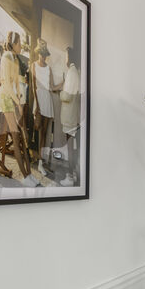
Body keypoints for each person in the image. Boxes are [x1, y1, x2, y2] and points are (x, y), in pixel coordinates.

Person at [0, 37, 29, 176]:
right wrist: (17, 104)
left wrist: (20, 99)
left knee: (22, 138)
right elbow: (7, 85)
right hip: (6, 99)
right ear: (14, 44)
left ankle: (29, 175)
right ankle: (25, 176)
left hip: (13, 99)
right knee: (16, 137)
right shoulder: (7, 56)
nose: (21, 46)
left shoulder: (15, 58)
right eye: (19, 43)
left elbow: (15, 83)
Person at [59, 46, 81, 185]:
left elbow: (66, 96)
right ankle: (73, 174)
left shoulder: (72, 72)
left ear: (70, 57)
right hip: (73, 115)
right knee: (72, 147)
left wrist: (60, 91)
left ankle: (70, 177)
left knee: (69, 148)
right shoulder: (74, 71)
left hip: (69, 117)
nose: (65, 59)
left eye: (66, 56)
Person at [32, 46, 55, 175]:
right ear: (38, 53)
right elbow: (34, 86)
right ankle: (38, 161)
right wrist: (37, 106)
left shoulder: (49, 68)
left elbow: (51, 87)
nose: (44, 57)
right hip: (39, 99)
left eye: (45, 54)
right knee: (38, 131)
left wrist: (63, 83)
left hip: (47, 99)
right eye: (42, 54)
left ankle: (41, 162)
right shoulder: (33, 65)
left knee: (44, 133)